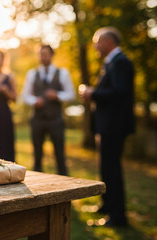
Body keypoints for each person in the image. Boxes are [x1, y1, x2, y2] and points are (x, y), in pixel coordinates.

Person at [82, 27, 134, 227]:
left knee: (112, 169)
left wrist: (92, 94)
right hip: (107, 125)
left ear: (109, 41)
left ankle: (118, 216)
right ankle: (107, 205)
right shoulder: (111, 62)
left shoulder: (120, 62)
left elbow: (119, 92)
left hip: (114, 126)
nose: (95, 45)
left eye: (98, 41)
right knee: (105, 167)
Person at [21, 45, 75, 175]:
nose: (42, 57)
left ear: (51, 55)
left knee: (59, 153)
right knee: (37, 154)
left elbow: (71, 94)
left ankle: (64, 183)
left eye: (45, 54)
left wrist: (57, 95)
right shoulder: (32, 74)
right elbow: (25, 95)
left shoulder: (62, 73)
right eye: (40, 54)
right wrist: (35, 101)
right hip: (37, 119)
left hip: (55, 119)